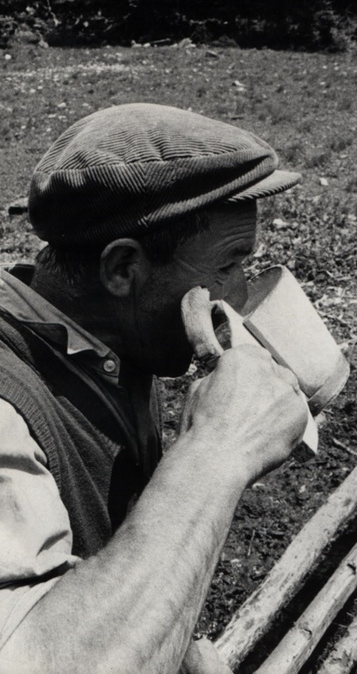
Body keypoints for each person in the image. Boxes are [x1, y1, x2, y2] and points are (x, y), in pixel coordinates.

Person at [0, 103, 308, 674]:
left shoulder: (113, 343)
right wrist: (217, 453)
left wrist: (173, 644)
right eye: (228, 265)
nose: (238, 296)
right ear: (122, 268)